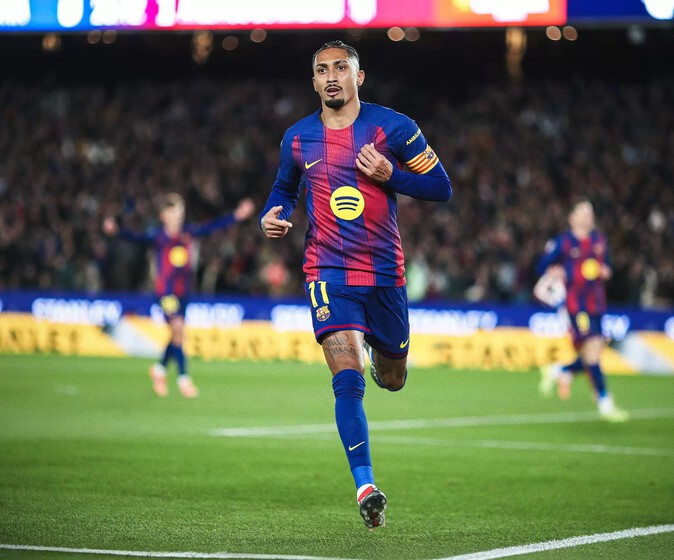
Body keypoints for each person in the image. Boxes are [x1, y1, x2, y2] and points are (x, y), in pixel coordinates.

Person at [259, 40, 451, 529]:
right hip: (328, 272)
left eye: (341, 68)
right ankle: (366, 486)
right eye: (322, 69)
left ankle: (381, 361)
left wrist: (392, 174)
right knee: (347, 376)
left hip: (385, 275)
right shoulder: (298, 138)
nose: (331, 76)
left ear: (358, 77)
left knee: (393, 377)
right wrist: (272, 214)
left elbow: (441, 187)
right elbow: (284, 188)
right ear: (314, 81)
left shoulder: (394, 128)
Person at [104, 193, 255, 398]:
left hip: (183, 292)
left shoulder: (188, 233)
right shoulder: (158, 237)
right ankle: (184, 379)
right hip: (165, 292)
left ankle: (159, 369)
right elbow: (135, 237)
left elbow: (212, 227)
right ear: (163, 215)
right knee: (178, 329)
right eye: (174, 212)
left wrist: (237, 215)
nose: (178, 217)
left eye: (180, 213)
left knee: (177, 334)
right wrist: (116, 231)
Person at [534, 197, 628, 422]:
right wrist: (553, 270)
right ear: (572, 218)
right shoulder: (563, 242)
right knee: (593, 350)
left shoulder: (599, 240)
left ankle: (560, 370)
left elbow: (608, 267)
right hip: (576, 306)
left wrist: (605, 271)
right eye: (584, 212)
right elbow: (540, 266)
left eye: (590, 212)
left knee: (592, 351)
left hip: (597, 304)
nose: (588, 216)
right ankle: (605, 403)